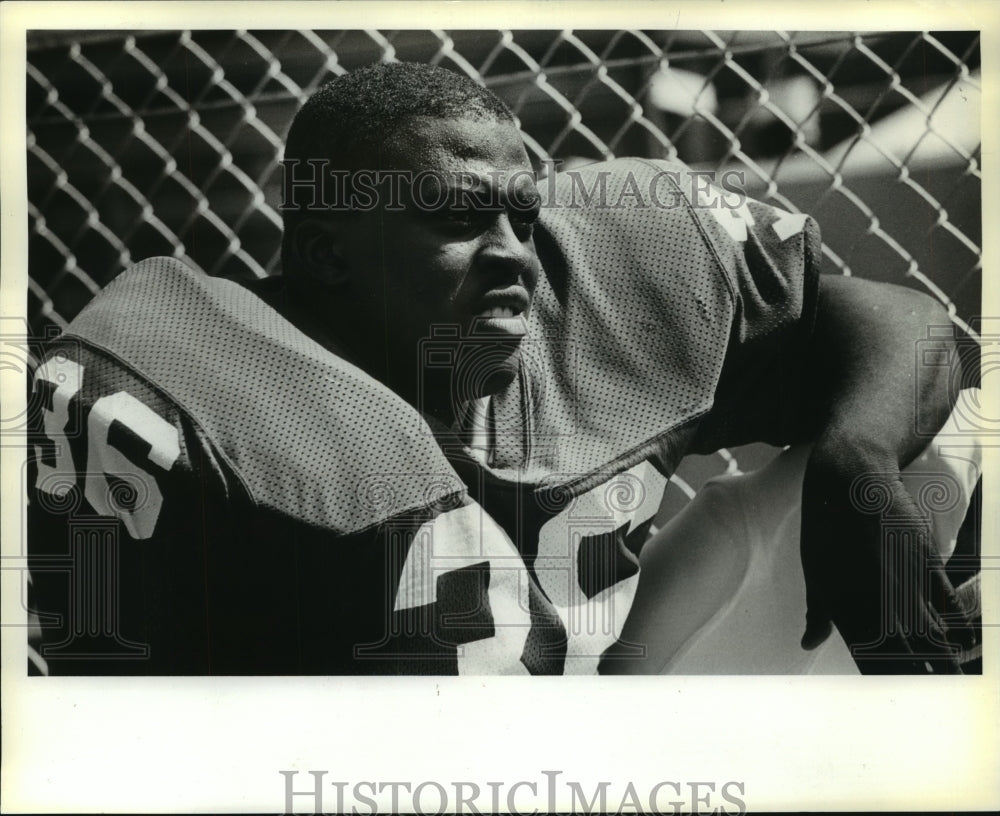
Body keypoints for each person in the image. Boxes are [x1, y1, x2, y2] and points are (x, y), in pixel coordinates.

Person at [27, 62, 979, 676]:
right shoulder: (195, 393)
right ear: (323, 251)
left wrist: (857, 458)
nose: (514, 252)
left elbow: (891, 320)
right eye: (456, 215)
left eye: (522, 214)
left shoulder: (601, 272)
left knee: (968, 443)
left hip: (619, 714)